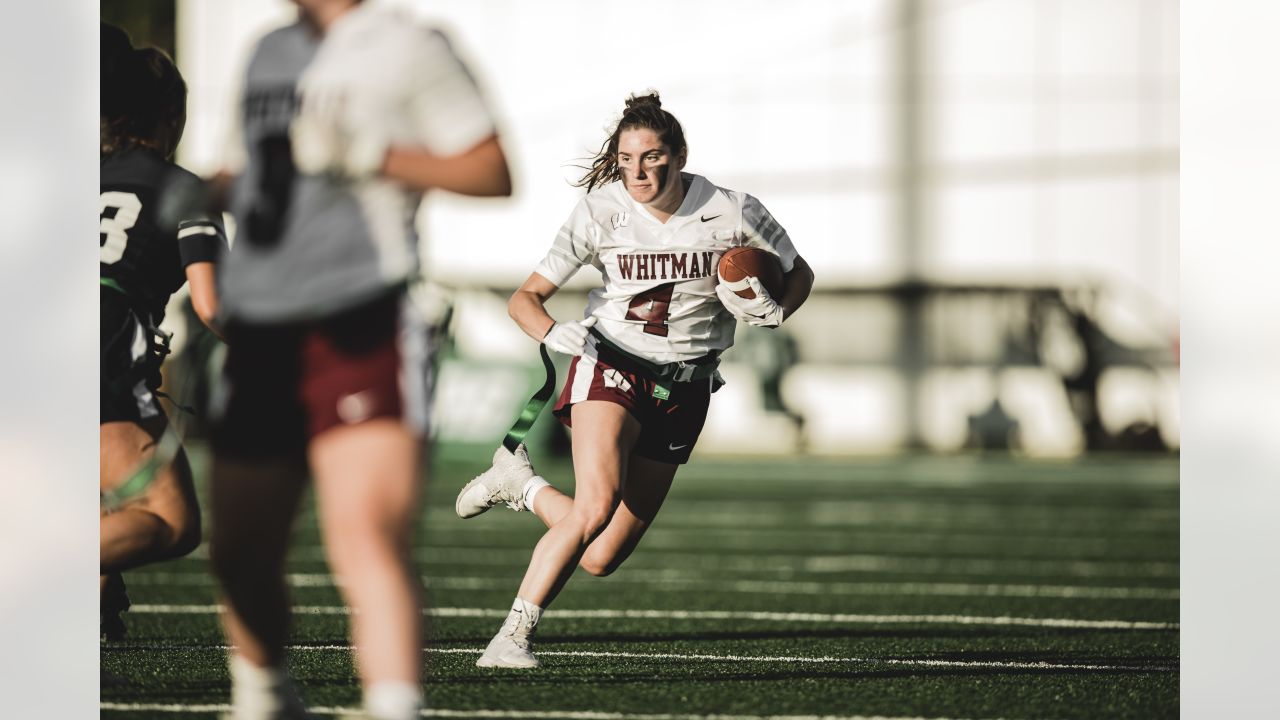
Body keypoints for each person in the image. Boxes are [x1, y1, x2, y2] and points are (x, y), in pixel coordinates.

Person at [207, 1, 511, 718]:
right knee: (239, 553)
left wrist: (370, 153)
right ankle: (267, 697)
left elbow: (493, 169)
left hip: (362, 312)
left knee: (367, 537)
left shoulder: (409, 44)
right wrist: (199, 189)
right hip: (262, 326)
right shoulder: (267, 48)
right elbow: (245, 169)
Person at [455, 91, 814, 668]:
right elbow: (526, 299)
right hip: (613, 364)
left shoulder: (733, 208)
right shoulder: (601, 211)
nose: (638, 171)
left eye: (651, 157)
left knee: (600, 556)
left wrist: (778, 309)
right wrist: (549, 332)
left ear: (678, 155)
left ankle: (519, 485)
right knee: (595, 507)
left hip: (688, 386)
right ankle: (510, 638)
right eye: (627, 159)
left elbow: (800, 273)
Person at [99, 23, 225, 641]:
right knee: (172, 523)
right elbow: (212, 305)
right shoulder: (182, 188)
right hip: (100, 346)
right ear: (172, 116)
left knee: (108, 495)